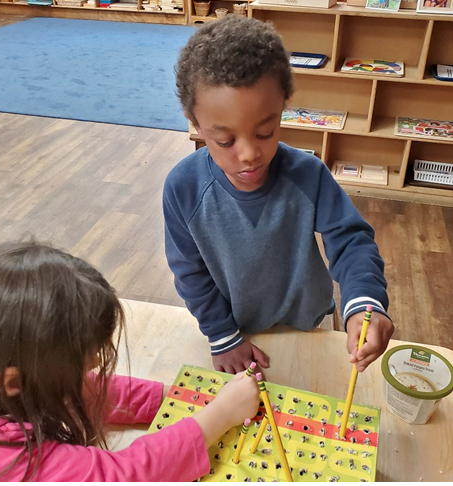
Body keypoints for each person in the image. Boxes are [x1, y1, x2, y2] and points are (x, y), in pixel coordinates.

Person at [163, 16, 394, 375]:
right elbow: (189, 271)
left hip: (312, 323)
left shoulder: (308, 174)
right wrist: (222, 335)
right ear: (194, 121)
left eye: (265, 132)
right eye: (225, 141)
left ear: (283, 106)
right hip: (237, 330)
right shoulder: (183, 188)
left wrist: (365, 302)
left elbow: (350, 240)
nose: (248, 154)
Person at [0, 241, 260, 481]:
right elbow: (125, 477)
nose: (96, 363)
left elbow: (83, 388)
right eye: (85, 361)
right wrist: (220, 414)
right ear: (14, 382)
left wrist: (176, 396)